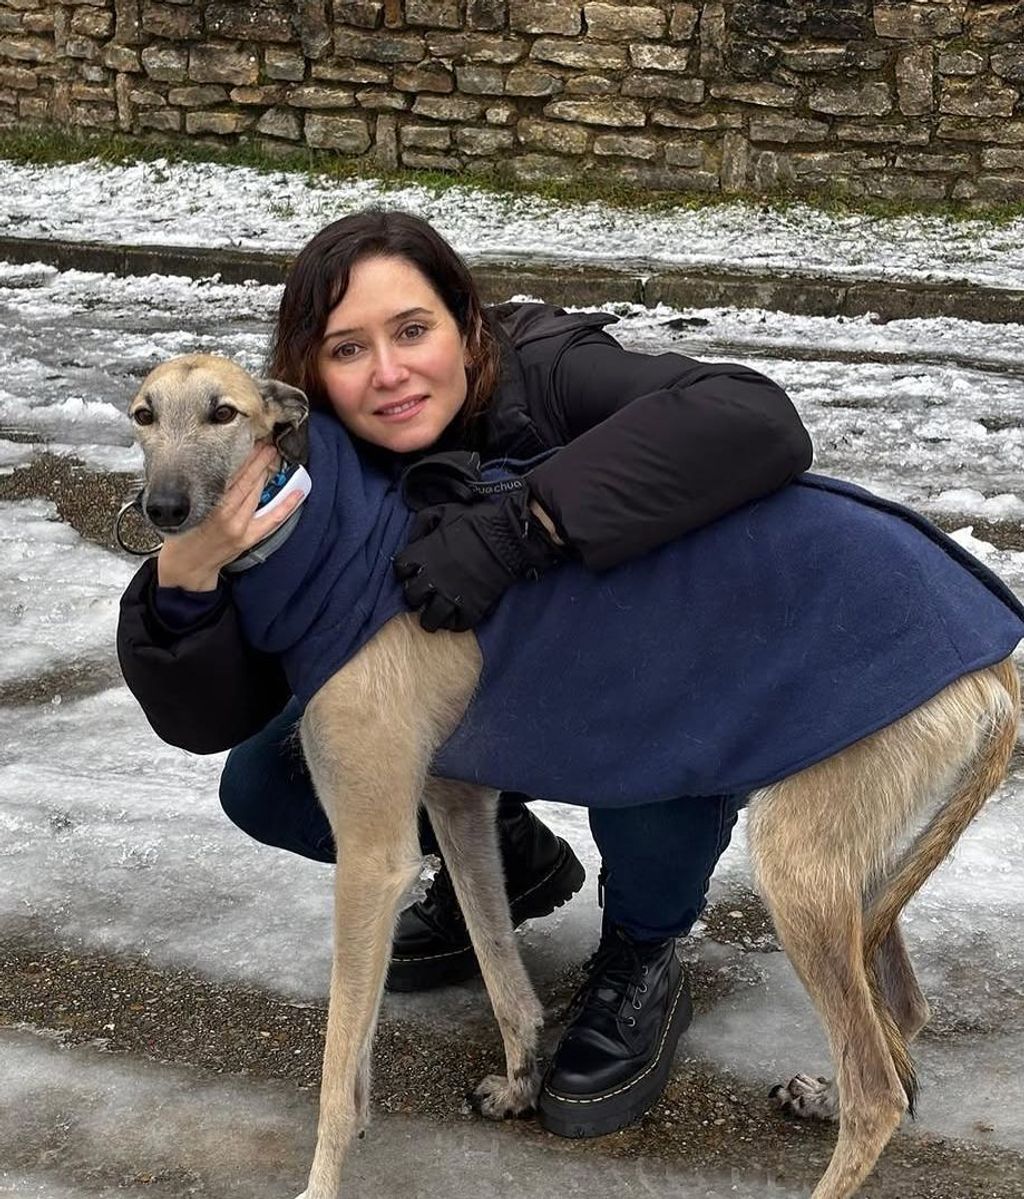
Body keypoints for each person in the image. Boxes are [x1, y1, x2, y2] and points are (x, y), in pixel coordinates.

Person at [117, 210, 813, 1137]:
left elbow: (754, 417)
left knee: (650, 731)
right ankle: (503, 857)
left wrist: (525, 522)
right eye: (348, 348)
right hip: (461, 695)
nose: (390, 372)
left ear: (465, 321)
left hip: (625, 679)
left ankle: (643, 949)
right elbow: (221, 708)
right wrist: (185, 584)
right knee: (266, 778)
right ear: (309, 377)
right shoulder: (307, 447)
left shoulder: (548, 364)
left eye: (413, 330)